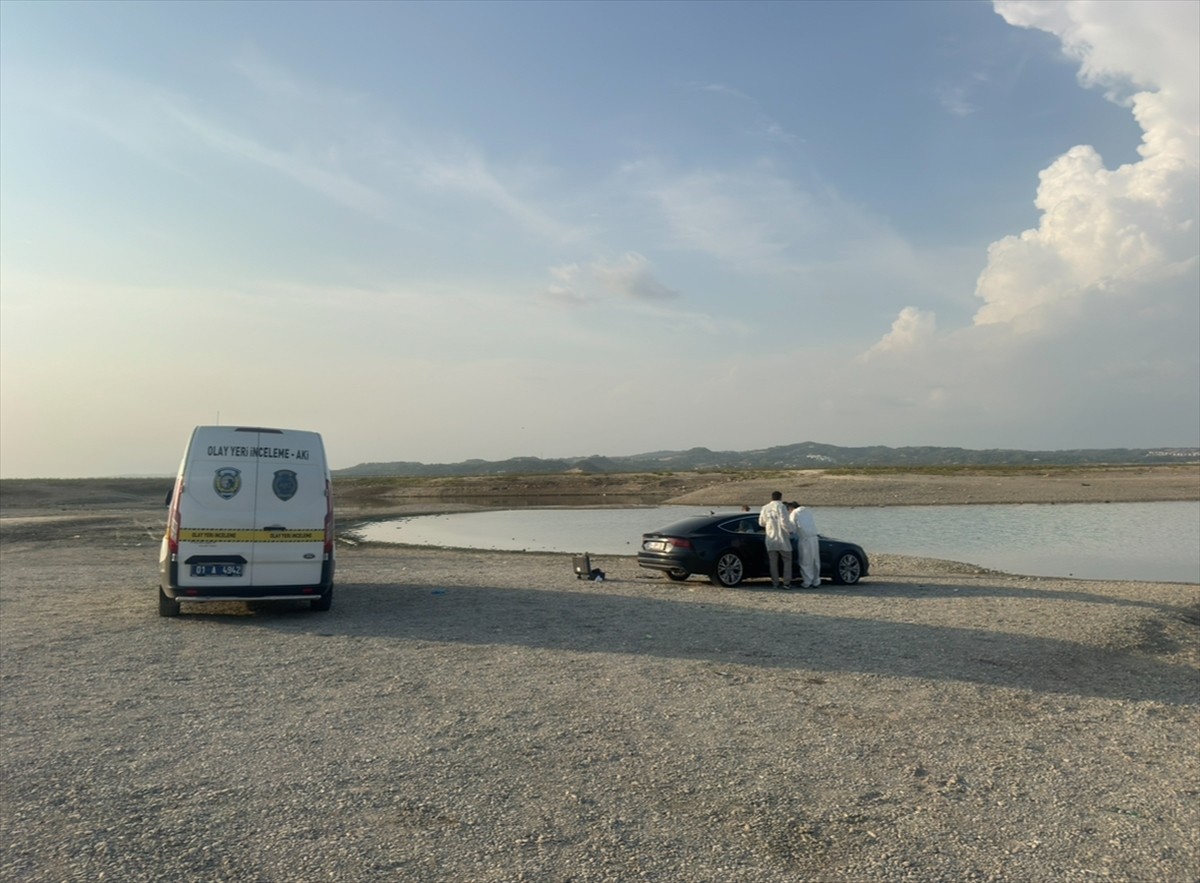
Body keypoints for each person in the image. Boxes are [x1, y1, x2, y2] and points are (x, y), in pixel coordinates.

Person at [758, 490, 794, 588]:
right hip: (782, 538)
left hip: (770, 538)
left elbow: (761, 523)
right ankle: (786, 583)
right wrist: (790, 531)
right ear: (781, 497)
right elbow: (784, 522)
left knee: (773, 562)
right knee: (787, 560)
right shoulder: (782, 507)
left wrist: (770, 523)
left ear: (772, 497)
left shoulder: (765, 508)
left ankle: (775, 582)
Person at [789, 501, 821, 588]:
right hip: (814, 538)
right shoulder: (808, 511)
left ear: (791, 508)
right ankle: (816, 581)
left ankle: (807, 581)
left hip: (804, 538)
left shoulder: (794, 513)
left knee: (805, 561)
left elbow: (792, 528)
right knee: (815, 560)